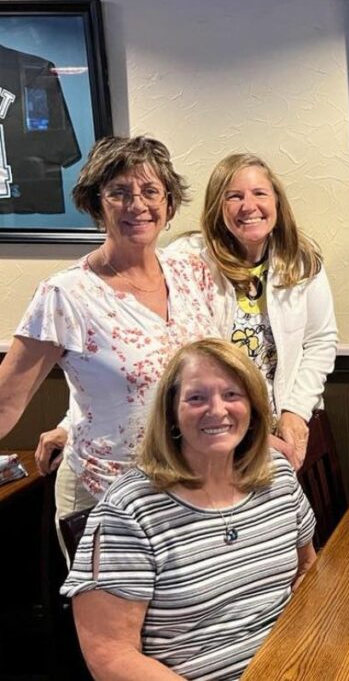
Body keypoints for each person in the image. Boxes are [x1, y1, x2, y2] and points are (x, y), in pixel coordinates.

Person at [0, 136, 219, 549]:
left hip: (191, 489)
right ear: (96, 204)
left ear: (169, 204)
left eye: (151, 191)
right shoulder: (66, 295)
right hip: (109, 497)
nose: (137, 204)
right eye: (119, 192)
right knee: (117, 616)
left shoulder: (192, 273)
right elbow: (5, 402)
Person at [62, 338, 317, 681]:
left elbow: (307, 570)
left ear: (254, 407)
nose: (217, 410)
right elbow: (109, 656)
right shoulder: (130, 509)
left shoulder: (276, 474)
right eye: (197, 398)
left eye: (232, 395)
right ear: (171, 411)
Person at [191, 153, 337, 469]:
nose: (249, 206)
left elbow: (321, 341)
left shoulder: (302, 260)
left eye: (260, 193)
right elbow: (190, 363)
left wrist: (295, 411)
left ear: (277, 203)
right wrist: (249, 433)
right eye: (234, 196)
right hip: (217, 431)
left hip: (286, 424)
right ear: (217, 207)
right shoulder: (191, 264)